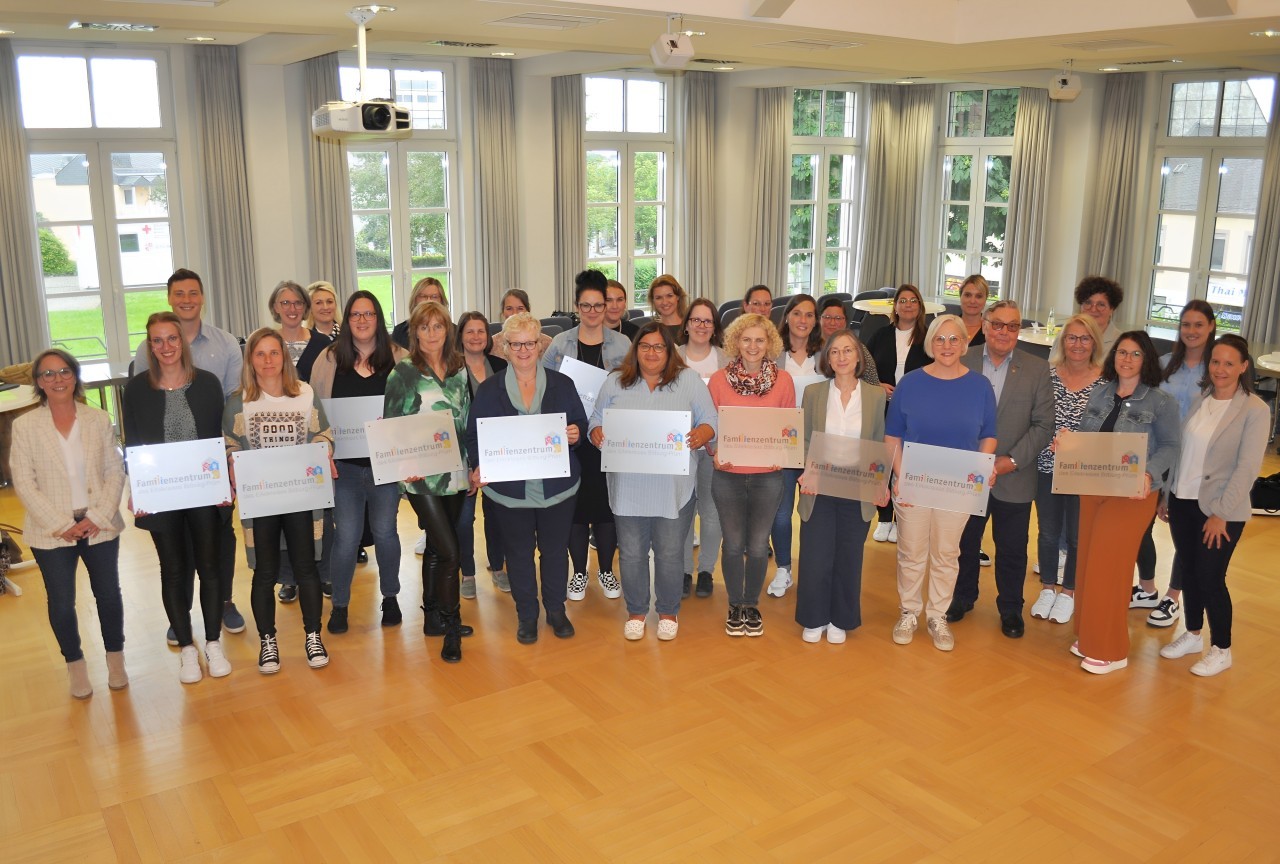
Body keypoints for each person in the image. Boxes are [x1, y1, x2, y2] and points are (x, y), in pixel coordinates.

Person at [131, 268, 245, 637]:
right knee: (174, 558)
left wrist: (227, 471)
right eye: (179, 293)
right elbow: (139, 425)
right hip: (164, 482)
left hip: (207, 477)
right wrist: (139, 487)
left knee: (216, 549)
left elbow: (228, 412)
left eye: (193, 293)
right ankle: (180, 618)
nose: (186, 300)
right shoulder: (142, 363)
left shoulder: (222, 351)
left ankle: (222, 604)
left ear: (202, 297)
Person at [589, 322, 717, 641]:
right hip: (627, 488)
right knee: (631, 554)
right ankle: (636, 611)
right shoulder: (616, 381)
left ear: (669, 350)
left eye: (659, 346)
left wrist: (702, 434)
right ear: (636, 350)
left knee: (670, 554)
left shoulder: (688, 380)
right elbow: (596, 420)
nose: (652, 353)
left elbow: (710, 421)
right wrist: (596, 433)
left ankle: (668, 611)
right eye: (645, 346)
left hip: (673, 489)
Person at [11, 349, 128, 698]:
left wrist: (97, 516)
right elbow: (24, 482)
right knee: (61, 602)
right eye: (47, 374)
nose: (57, 379)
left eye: (64, 371)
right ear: (38, 382)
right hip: (52, 531)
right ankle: (75, 664)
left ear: (75, 376)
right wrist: (62, 524)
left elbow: (114, 471)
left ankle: (115, 659)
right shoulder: (25, 426)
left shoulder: (98, 419)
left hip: (98, 524)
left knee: (108, 595)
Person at [123, 313, 231, 683]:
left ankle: (213, 642)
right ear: (149, 346)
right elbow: (133, 443)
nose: (166, 347)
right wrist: (136, 488)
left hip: (203, 490)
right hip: (161, 493)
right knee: (172, 569)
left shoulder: (208, 384)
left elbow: (218, 437)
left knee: (210, 566)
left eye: (172, 338)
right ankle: (187, 648)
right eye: (157, 340)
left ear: (181, 342)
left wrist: (224, 484)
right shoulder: (136, 390)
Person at [467, 313, 587, 643]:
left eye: (530, 343)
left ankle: (556, 610)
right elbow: (474, 436)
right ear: (505, 347)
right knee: (519, 555)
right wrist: (479, 465)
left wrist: (576, 433)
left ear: (539, 345)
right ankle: (527, 615)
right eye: (516, 344)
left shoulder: (563, 384)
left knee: (555, 551)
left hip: (558, 489)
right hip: (509, 491)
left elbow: (580, 423)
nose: (523, 350)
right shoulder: (489, 390)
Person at [1069, 332, 1181, 674]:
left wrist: (1148, 473)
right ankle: (1089, 635)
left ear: (1146, 360)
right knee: (1088, 561)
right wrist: (1068, 444)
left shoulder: (1161, 402)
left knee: (1110, 566)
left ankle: (1111, 649)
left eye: (1135, 354)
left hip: (1133, 494)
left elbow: (1171, 447)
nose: (1126, 359)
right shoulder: (1100, 392)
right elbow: (1088, 436)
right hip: (1093, 485)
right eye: (1121, 352)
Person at [224, 328, 335, 674]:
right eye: (260, 354)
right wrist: (231, 461)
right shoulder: (238, 401)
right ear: (250, 359)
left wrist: (324, 451)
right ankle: (267, 641)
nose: (268, 360)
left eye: (274, 353)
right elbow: (230, 443)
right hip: (261, 500)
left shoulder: (304, 393)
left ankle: (313, 636)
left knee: (306, 567)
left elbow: (323, 434)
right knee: (265, 571)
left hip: (300, 495)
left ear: (284, 357)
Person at [884, 314, 997, 652]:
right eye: (939, 339)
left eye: (953, 339)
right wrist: (901, 477)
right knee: (911, 552)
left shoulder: (980, 387)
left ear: (964, 344)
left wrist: (980, 469)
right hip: (913, 482)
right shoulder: (910, 383)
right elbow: (892, 436)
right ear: (930, 344)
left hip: (957, 487)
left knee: (947, 554)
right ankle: (909, 611)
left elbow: (989, 436)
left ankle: (937, 615)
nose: (946, 346)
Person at [1158, 335, 1269, 677]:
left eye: (1229, 363)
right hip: (1183, 500)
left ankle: (1222, 648)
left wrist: (1221, 513)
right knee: (1189, 571)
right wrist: (1167, 495)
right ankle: (1192, 635)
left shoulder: (1255, 410)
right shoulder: (1202, 398)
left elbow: (1247, 469)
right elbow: (1182, 453)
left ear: (1243, 367)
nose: (1220, 369)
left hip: (1220, 509)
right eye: (1216, 362)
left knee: (1210, 577)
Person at [948, 301, 1054, 638]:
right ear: (985, 324)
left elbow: (1043, 425)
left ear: (1019, 330)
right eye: (997, 324)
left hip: (1015, 475)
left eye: (1012, 326)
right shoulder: (961, 359)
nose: (1004, 332)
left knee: (1012, 549)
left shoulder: (1037, 368)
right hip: (967, 474)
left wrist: (1009, 461)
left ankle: (1010, 608)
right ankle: (962, 597)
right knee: (964, 543)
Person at [308, 291, 407, 633]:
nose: (362, 320)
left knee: (386, 532)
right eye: (355, 314)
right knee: (347, 537)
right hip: (345, 469)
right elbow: (314, 412)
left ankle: (391, 597)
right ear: (346, 320)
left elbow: (412, 408)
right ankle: (340, 605)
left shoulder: (399, 358)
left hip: (386, 466)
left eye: (369, 314)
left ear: (378, 319)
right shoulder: (329, 358)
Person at [383, 300, 475, 663]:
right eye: (424, 327)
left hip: (455, 471)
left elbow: (466, 419)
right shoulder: (403, 373)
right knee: (451, 551)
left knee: (438, 548)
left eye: (438, 326)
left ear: (447, 330)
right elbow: (392, 427)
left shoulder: (459, 367)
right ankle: (452, 625)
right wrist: (403, 462)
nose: (432, 334)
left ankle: (432, 617)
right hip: (420, 477)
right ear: (415, 333)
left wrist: (473, 466)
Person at [543, 274, 631, 602]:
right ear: (576, 307)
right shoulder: (559, 343)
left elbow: (632, 388)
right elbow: (544, 386)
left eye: (598, 305)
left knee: (606, 508)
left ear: (606, 307)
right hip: (571, 438)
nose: (592, 311)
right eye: (586, 305)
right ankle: (579, 573)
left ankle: (606, 570)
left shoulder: (622, 345)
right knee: (576, 509)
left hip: (608, 436)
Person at [795, 330, 887, 643]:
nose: (842, 357)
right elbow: (805, 437)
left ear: (859, 356)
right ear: (828, 359)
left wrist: (880, 482)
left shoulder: (875, 396)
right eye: (835, 351)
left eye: (848, 350)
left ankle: (840, 619)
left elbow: (878, 441)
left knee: (849, 555)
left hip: (857, 486)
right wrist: (808, 470)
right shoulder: (814, 393)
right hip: (820, 484)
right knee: (815, 554)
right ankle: (814, 617)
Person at [707, 313, 795, 636]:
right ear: (735, 342)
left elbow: (789, 429)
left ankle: (751, 605)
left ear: (770, 343)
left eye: (759, 340)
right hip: (728, 475)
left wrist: (783, 454)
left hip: (768, 477)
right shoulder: (718, 381)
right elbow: (710, 425)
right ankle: (735, 605)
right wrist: (714, 451)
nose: (753, 346)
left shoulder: (784, 381)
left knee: (758, 545)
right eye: (746, 339)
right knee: (732, 544)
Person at [1134, 300, 1217, 627]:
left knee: (1184, 531)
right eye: (1186, 325)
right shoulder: (1164, 364)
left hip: (1195, 461)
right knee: (1141, 525)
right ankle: (1147, 589)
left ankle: (1172, 597)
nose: (1191, 331)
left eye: (1198, 325)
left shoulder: (1216, 368)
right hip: (1158, 456)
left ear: (1211, 327)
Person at [1029, 314, 1104, 625]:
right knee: (1047, 532)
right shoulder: (1046, 376)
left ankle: (1069, 592)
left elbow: (1109, 431)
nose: (1078, 344)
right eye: (1072, 337)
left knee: (1076, 536)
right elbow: (1034, 418)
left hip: (1084, 473)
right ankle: (1048, 588)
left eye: (1085, 338)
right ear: (1063, 341)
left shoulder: (1106, 383)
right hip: (1047, 467)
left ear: (1094, 343)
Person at [766, 293, 822, 598]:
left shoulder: (825, 355)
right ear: (787, 317)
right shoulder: (772, 354)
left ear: (815, 321)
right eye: (797, 313)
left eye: (809, 314)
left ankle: (814, 569)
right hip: (783, 444)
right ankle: (784, 568)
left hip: (818, 445)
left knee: (814, 511)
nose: (803, 320)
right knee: (781, 511)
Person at [865, 283, 929, 543]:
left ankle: (903, 517)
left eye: (913, 300)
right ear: (895, 306)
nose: (908, 305)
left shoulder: (929, 337)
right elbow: (864, 367)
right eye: (903, 300)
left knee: (908, 462)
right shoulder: (881, 335)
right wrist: (877, 386)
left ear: (920, 306)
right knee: (884, 462)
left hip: (917, 410)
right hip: (883, 407)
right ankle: (883, 517)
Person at [456, 311, 509, 599]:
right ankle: (467, 573)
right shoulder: (451, 370)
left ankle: (498, 567)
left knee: (497, 514)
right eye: (470, 331)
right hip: (463, 454)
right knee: (464, 519)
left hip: (498, 451)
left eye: (481, 331)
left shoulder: (501, 365)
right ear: (461, 337)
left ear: (488, 337)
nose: (476, 337)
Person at [677, 298, 727, 598]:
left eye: (707, 321)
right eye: (696, 320)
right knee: (683, 509)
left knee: (711, 510)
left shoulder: (726, 359)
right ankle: (684, 570)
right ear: (686, 325)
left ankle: (706, 570)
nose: (701, 326)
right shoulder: (671, 356)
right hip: (679, 446)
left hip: (715, 447)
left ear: (714, 327)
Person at [269, 280, 331, 382]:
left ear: (305, 307)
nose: (292, 309)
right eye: (285, 303)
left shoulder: (323, 343)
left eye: (298, 303)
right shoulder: (266, 343)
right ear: (276, 307)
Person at [818, 295, 880, 385]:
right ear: (819, 319)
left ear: (845, 322)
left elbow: (873, 382)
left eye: (838, 318)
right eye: (827, 317)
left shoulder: (859, 349)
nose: (832, 323)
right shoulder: (810, 347)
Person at [490, 287, 552, 357]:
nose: (514, 313)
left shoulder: (547, 343)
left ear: (528, 311)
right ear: (503, 312)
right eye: (509, 308)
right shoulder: (492, 344)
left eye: (520, 308)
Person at [392, 276, 448, 350]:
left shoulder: (454, 331)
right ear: (414, 300)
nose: (428, 300)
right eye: (423, 296)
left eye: (434, 297)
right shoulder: (400, 331)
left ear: (442, 301)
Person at [1075, 275, 1124, 354]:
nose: (1093, 309)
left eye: (1101, 304)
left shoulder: (1121, 342)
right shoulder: (1066, 336)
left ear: (1112, 309)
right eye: (1088, 303)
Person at [648, 274, 689, 341]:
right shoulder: (650, 332)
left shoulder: (692, 327)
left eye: (669, 296)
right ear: (653, 301)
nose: (664, 302)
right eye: (658, 298)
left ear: (678, 297)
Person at [956, 274, 989, 348]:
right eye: (968, 295)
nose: (972, 301)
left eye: (979, 296)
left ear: (985, 300)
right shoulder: (948, 326)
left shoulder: (992, 331)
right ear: (960, 297)